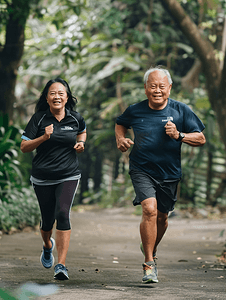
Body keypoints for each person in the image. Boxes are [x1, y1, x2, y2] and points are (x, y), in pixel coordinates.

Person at [115, 66, 206, 284]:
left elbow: (200, 138)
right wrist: (120, 139)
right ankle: (149, 263)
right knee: (149, 209)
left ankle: (150, 245)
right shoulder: (135, 110)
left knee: (162, 218)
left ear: (170, 88)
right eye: (152, 86)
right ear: (145, 88)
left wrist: (179, 135)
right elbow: (120, 123)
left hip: (169, 173)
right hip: (141, 169)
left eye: (161, 86)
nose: (157, 90)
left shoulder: (181, 110)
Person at [21, 78, 86, 280]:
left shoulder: (75, 118)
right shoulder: (39, 119)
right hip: (42, 177)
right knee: (47, 220)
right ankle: (47, 245)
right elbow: (24, 147)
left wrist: (81, 143)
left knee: (62, 213)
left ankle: (61, 265)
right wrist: (43, 138)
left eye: (61, 93)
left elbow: (82, 131)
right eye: (52, 93)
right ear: (47, 98)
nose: (57, 96)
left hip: (68, 174)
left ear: (67, 97)